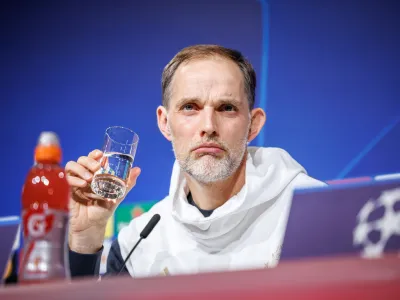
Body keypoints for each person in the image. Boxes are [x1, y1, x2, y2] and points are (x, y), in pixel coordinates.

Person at [66, 44, 326, 278]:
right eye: (190, 107)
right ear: (165, 123)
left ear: (253, 125)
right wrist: (85, 239)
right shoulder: (138, 244)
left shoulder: (318, 211)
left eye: (227, 108)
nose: (209, 126)